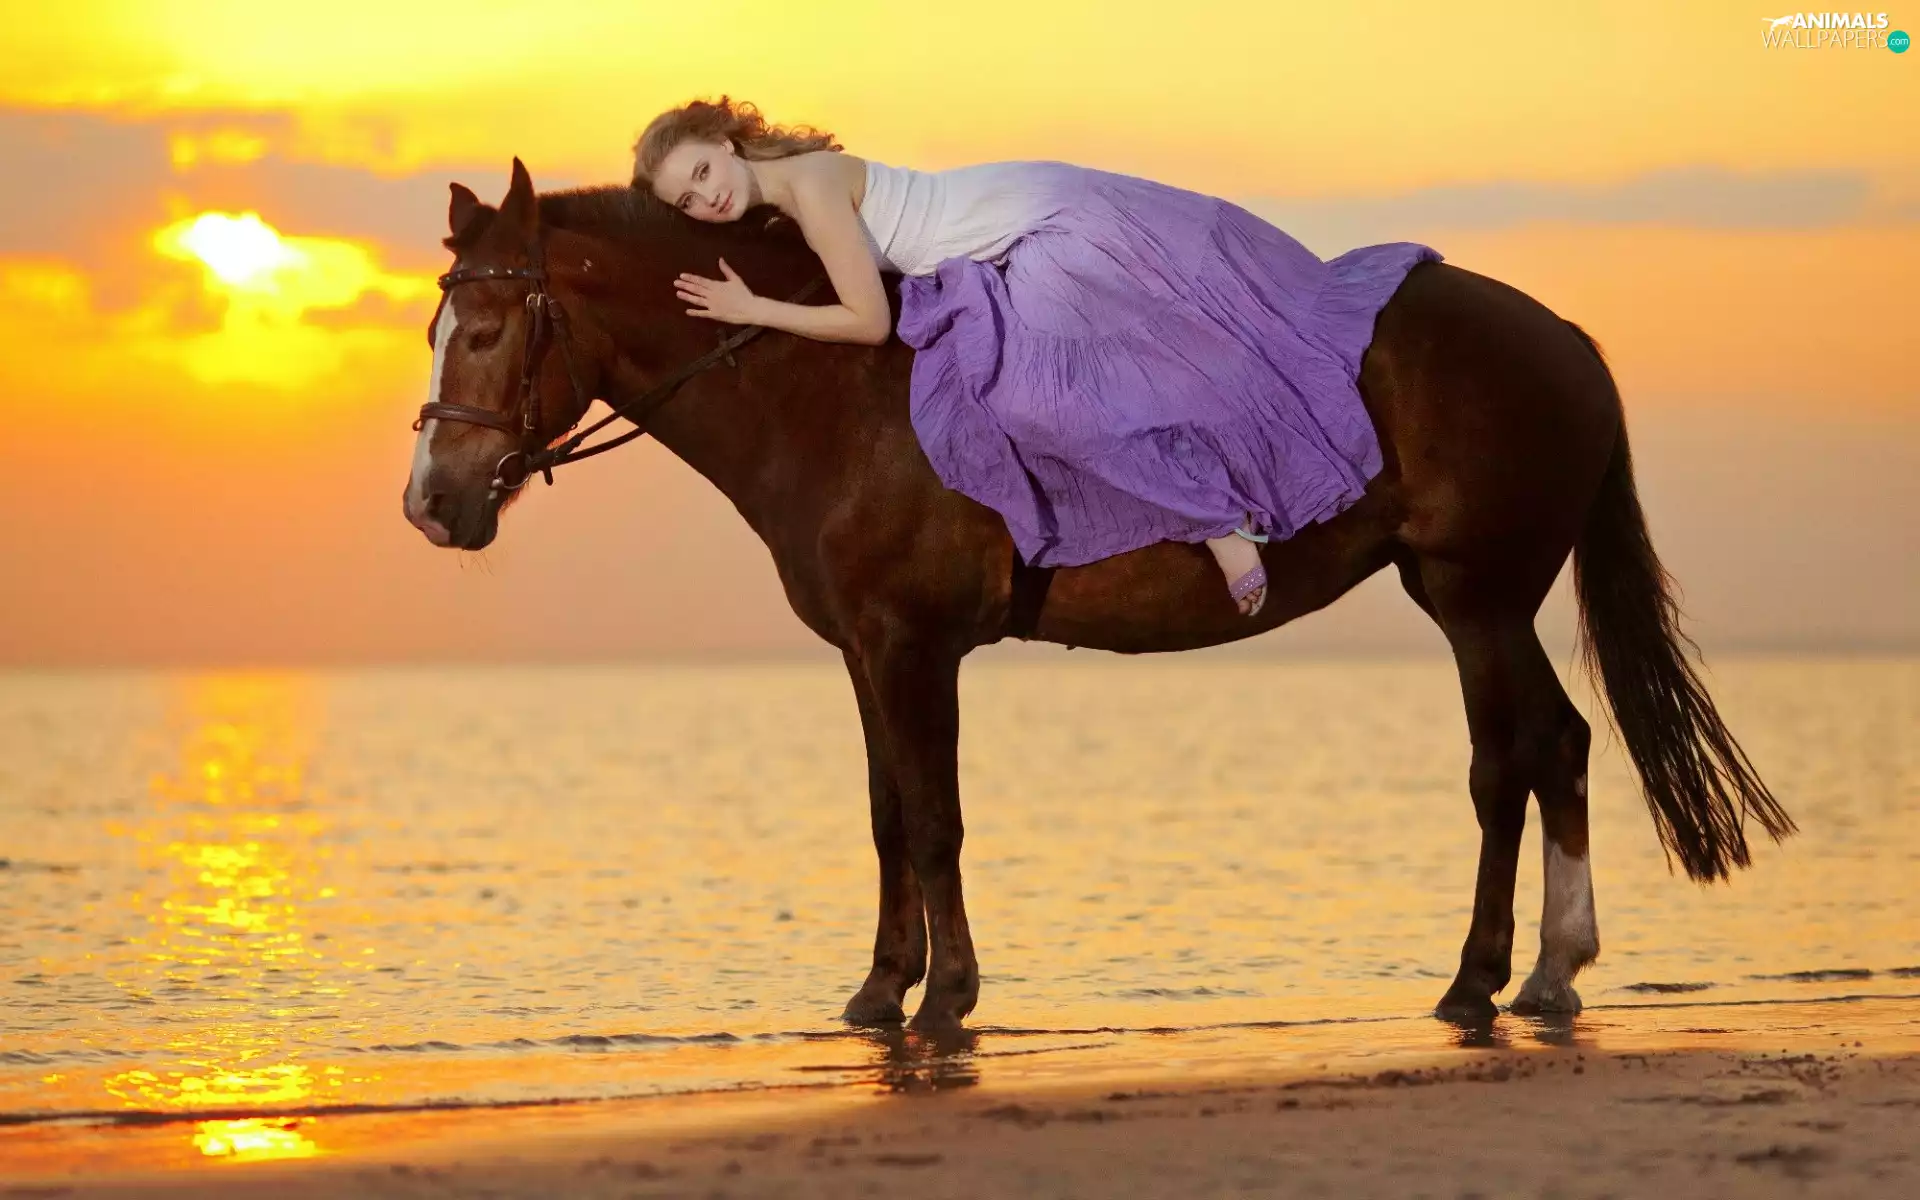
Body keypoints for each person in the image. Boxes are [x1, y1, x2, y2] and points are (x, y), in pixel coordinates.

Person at [633, 97, 1439, 616]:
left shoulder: (808, 189)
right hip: (1005, 239)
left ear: (728, 142)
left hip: (1044, 229)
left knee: (1044, 402)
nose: (707, 197)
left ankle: (1220, 521)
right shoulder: (786, 193)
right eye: (687, 200)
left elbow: (868, 322)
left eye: (703, 171)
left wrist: (752, 310)